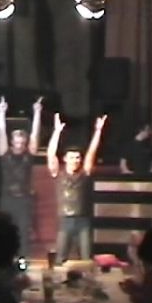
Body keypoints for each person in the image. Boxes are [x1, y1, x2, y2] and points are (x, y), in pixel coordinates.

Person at [47, 113, 107, 264]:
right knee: (60, 258)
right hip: (65, 220)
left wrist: (98, 131)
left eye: (77, 157)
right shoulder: (59, 173)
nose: (75, 160)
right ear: (65, 159)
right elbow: (51, 154)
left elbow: (91, 153)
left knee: (86, 258)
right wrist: (57, 132)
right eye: (72, 157)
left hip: (83, 220)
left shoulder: (84, 174)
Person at [0, 96, 42, 257]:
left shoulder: (28, 156)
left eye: (22, 139)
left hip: (24, 199)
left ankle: (23, 259)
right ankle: (5, 257)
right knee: (6, 229)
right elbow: (1, 132)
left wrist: (37, 113)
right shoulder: (5, 154)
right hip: (7, 198)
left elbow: (35, 135)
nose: (19, 142)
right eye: (16, 138)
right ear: (12, 141)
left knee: (23, 230)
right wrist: (1, 112)